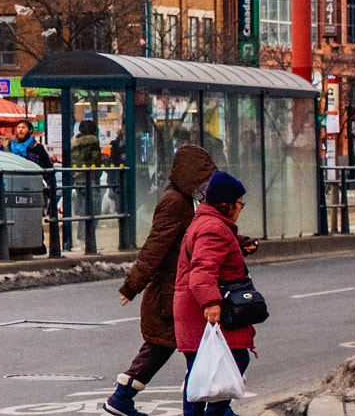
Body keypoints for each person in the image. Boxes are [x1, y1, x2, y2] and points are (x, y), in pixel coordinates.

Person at [105, 144, 216, 415]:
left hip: (174, 289)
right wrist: (133, 284)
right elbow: (155, 244)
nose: (206, 183)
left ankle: (122, 397)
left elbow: (201, 236)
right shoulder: (175, 202)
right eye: (202, 176)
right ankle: (209, 410)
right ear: (189, 174)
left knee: (160, 348)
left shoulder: (186, 199)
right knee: (192, 351)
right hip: (169, 291)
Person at [174, 170, 258, 416]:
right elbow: (202, 270)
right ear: (226, 204)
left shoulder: (208, 223)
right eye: (240, 203)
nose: (241, 208)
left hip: (193, 311)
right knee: (235, 361)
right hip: (205, 312)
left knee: (200, 374)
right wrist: (211, 302)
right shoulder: (213, 228)